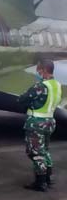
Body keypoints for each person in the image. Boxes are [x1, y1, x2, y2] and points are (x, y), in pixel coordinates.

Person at [18, 59, 62, 192]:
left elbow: (22, 99)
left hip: (36, 123)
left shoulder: (40, 86)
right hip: (49, 121)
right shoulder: (57, 85)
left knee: (35, 153)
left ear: (43, 70)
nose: (37, 72)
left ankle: (40, 182)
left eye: (38, 70)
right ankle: (48, 177)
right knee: (44, 150)